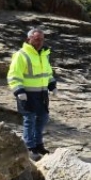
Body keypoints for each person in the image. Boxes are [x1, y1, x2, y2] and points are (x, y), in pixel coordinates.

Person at [7, 28, 56, 161]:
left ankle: (38, 144)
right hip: (27, 94)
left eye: (41, 39)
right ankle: (29, 147)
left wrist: (52, 85)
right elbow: (13, 75)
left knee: (43, 119)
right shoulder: (21, 54)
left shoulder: (44, 54)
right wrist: (18, 91)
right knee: (29, 120)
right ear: (29, 39)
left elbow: (48, 72)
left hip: (42, 94)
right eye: (36, 39)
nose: (39, 42)